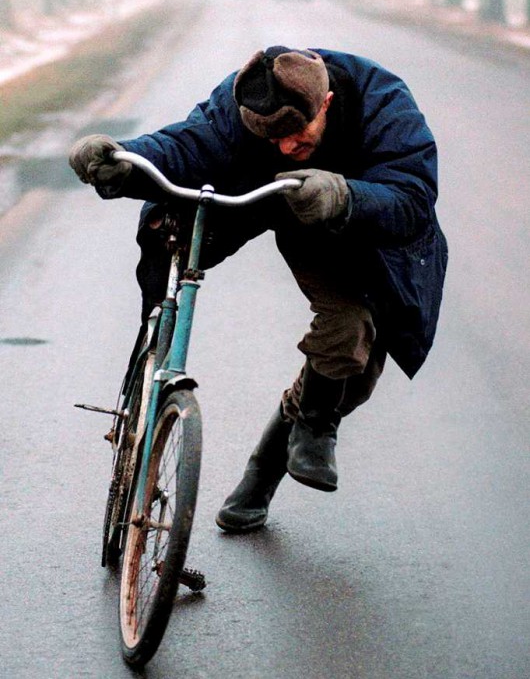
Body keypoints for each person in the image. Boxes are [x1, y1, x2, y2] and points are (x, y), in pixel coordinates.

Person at [69, 45, 448, 533]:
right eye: (272, 137)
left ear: (327, 103)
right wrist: (123, 159)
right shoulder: (241, 99)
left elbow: (412, 196)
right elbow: (189, 145)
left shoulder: (384, 101)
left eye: (297, 133)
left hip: (360, 224)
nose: (285, 147)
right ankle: (308, 427)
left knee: (353, 377)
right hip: (280, 204)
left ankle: (263, 474)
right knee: (346, 326)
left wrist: (345, 194)